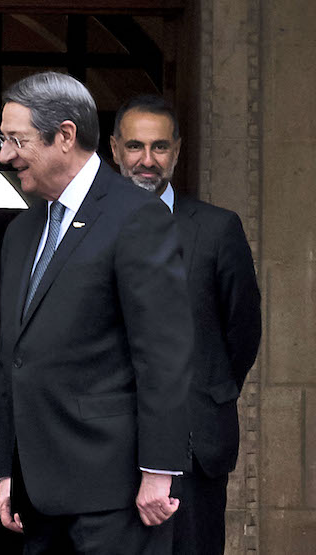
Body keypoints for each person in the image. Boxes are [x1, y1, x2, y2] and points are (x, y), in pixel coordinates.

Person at [0, 71, 194, 554]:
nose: (4, 155)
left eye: (15, 139)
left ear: (64, 136)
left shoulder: (136, 216)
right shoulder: (21, 231)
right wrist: (6, 471)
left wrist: (158, 472)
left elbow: (163, 355)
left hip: (115, 493)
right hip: (36, 494)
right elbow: (12, 359)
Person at [110, 94, 261, 555]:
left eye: (160, 147)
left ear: (177, 151)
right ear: (115, 150)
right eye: (135, 146)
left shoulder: (217, 229)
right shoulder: (88, 229)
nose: (147, 160)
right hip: (106, 444)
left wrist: (205, 388)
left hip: (195, 445)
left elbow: (242, 332)